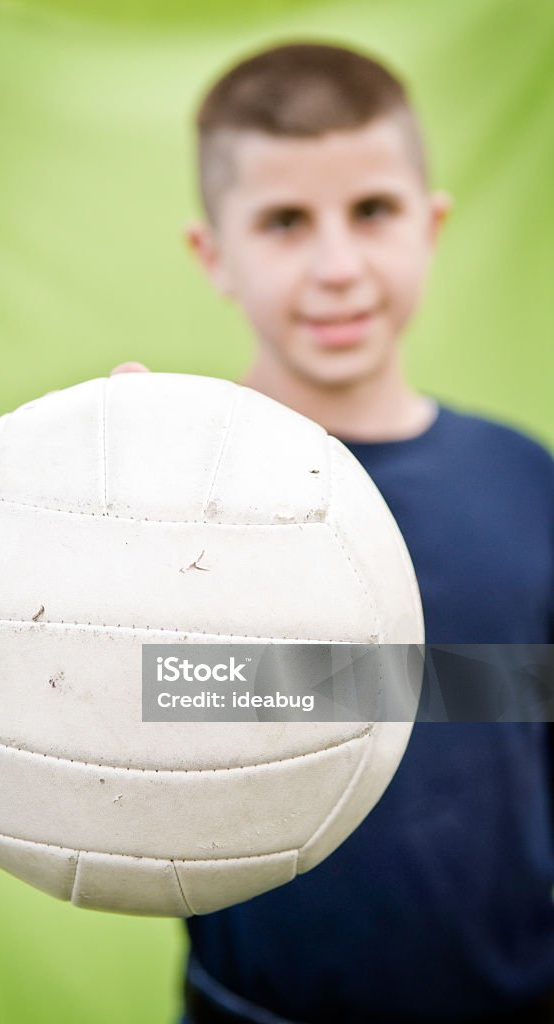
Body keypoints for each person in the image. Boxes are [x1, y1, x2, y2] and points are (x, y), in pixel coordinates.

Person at [111, 42, 554, 1024]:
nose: (337, 266)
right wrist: (115, 553)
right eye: (282, 222)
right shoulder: (174, 482)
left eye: (371, 212)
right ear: (211, 254)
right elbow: (117, 719)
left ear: (430, 225)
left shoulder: (526, 481)